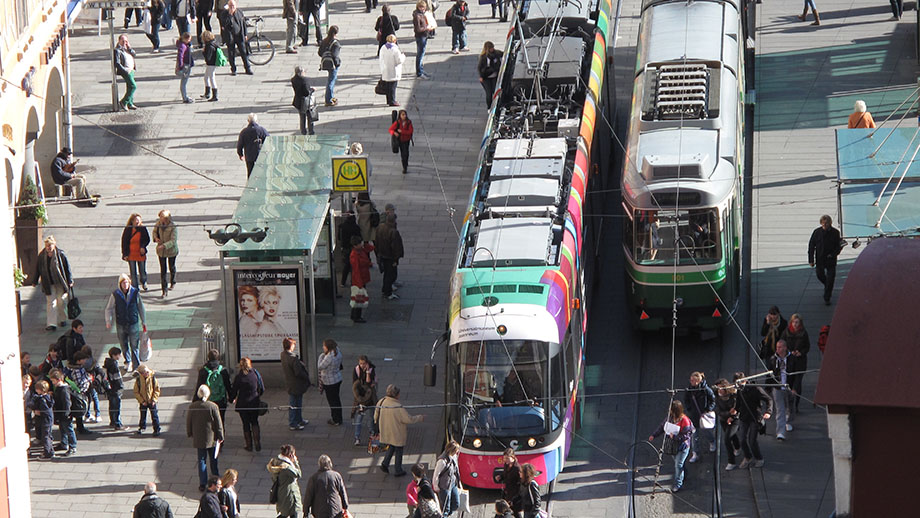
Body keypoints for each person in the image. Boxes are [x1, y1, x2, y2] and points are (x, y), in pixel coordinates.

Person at [375, 384, 425, 476]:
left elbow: (376, 415)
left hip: (386, 431)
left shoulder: (381, 401)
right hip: (396, 432)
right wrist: (420, 417)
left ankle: (385, 464)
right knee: (398, 450)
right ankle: (398, 470)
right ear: (396, 395)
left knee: (391, 446)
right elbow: (408, 419)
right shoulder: (397, 407)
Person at [105, 273, 147, 371]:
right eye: (123, 283)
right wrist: (108, 320)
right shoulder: (115, 294)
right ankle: (127, 361)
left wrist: (143, 321)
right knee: (124, 344)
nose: (125, 284)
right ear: (120, 284)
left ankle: (136, 364)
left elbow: (141, 307)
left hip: (133, 322)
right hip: (121, 323)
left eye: (127, 282)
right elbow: (109, 308)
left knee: (134, 344)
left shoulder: (135, 293)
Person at [648, 400, 693, 492]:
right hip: (673, 446)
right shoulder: (670, 418)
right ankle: (684, 474)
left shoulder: (685, 421)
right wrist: (654, 435)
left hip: (683, 447)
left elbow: (687, 435)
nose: (669, 411)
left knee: (678, 465)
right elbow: (662, 427)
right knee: (679, 464)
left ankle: (678, 484)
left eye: (671, 409)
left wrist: (676, 436)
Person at [33, 235, 73, 332]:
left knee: (61, 301)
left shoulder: (60, 255)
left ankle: (63, 318)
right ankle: (51, 323)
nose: (49, 247)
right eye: (47, 245)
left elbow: (67, 268)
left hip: (60, 282)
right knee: (51, 303)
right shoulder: (41, 256)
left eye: (50, 245)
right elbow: (38, 269)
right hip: (48, 283)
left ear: (54, 245)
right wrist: (35, 280)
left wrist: (70, 280)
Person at [188, 384, 224, 492]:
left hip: (199, 437)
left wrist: (190, 433)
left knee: (201, 460)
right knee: (213, 459)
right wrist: (221, 435)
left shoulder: (193, 406)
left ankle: (202, 483)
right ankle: (215, 478)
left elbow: (189, 421)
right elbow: (218, 423)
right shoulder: (213, 406)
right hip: (211, 437)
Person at [734, 372, 772, 469]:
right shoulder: (740, 390)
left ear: (745, 381)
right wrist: (735, 410)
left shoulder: (755, 388)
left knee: (752, 441)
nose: (737, 386)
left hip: (754, 417)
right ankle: (748, 457)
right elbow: (739, 402)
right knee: (742, 439)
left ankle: (759, 458)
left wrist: (768, 411)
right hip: (744, 417)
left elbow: (768, 399)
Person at [807, 215, 842, 305]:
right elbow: (811, 246)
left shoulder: (835, 233)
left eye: (826, 224)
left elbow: (839, 246)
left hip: (831, 260)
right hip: (820, 259)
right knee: (820, 275)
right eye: (823, 224)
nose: (825, 226)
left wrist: (833, 254)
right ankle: (828, 286)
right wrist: (811, 260)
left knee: (831, 278)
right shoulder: (817, 232)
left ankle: (827, 297)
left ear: (830, 223)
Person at [230, 357, 264, 451]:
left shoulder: (239, 377)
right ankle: (257, 442)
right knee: (255, 422)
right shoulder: (255, 374)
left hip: (243, 404)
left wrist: (231, 399)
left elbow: (234, 391)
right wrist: (258, 395)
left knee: (245, 424)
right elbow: (262, 387)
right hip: (254, 402)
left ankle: (249, 445)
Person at [780, 313, 810, 415]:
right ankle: (789, 404)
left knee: (797, 384)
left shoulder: (803, 333)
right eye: (794, 322)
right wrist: (788, 351)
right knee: (789, 382)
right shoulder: (786, 332)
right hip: (789, 361)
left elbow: (807, 347)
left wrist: (800, 352)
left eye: (797, 322)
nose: (795, 324)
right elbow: (782, 343)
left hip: (800, 362)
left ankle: (795, 405)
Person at [683, 371, 715, 462]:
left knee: (706, 431)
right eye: (690, 380)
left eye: (693, 380)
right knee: (694, 435)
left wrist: (708, 409)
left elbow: (712, 400)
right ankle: (695, 453)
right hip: (693, 416)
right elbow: (686, 400)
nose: (691, 381)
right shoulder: (689, 390)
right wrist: (689, 409)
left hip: (703, 414)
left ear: (698, 381)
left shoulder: (706, 390)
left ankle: (712, 441)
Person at [280, 337, 311, 430]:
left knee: (296, 402)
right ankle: (293, 422)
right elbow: (298, 372)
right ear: (291, 346)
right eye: (294, 344)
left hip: (290, 383)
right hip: (296, 384)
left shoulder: (283, 354)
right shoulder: (293, 358)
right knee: (295, 403)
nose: (294, 346)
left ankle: (299, 419)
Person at [195, 349, 232, 425]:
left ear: (208, 358)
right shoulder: (223, 371)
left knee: (209, 422)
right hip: (221, 401)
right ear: (218, 358)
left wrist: (195, 401)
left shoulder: (203, 371)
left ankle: (211, 435)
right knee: (221, 421)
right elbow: (228, 386)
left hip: (207, 400)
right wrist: (231, 398)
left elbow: (199, 387)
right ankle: (221, 435)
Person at [267, 444, 303, 518]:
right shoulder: (286, 467)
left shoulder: (276, 461)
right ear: (290, 455)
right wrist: (295, 462)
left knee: (286, 512)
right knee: (291, 512)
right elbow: (298, 474)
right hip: (290, 494)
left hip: (281, 492)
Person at [767, 340, 793, 441]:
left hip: (789, 387)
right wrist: (768, 387)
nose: (778, 349)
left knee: (790, 406)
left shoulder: (792, 359)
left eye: (780, 347)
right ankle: (780, 432)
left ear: (785, 348)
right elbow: (769, 374)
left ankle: (789, 419)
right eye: (777, 347)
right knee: (780, 409)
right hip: (777, 388)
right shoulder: (773, 359)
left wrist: (795, 388)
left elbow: (797, 375)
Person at [375, 214, 404, 301]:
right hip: (390, 257)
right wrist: (396, 258)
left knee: (386, 274)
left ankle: (385, 290)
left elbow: (376, 241)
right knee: (391, 274)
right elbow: (396, 247)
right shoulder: (393, 232)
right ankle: (388, 293)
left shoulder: (380, 227)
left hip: (382, 255)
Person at [714, 379, 742, 470]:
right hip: (724, 420)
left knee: (727, 439)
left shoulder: (733, 396)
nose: (719, 391)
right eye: (718, 389)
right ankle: (737, 447)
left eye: (721, 388)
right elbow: (718, 410)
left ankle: (731, 461)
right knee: (731, 436)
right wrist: (728, 414)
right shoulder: (717, 396)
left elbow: (736, 409)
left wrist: (732, 417)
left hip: (734, 421)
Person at [49, 370, 77, 456]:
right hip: (61, 413)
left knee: (69, 429)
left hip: (65, 414)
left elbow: (67, 402)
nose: (52, 383)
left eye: (53, 381)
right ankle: (64, 443)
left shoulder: (64, 389)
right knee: (63, 429)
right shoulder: (59, 388)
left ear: (58, 380)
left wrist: (66, 413)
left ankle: (72, 446)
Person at [152, 209, 179, 298]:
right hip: (161, 251)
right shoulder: (158, 224)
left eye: (163, 217)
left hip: (171, 251)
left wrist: (164, 246)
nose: (161, 219)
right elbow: (154, 232)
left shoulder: (173, 226)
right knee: (163, 270)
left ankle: (173, 281)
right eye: (160, 217)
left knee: (171, 267)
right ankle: (164, 290)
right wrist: (155, 238)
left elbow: (173, 241)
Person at [351, 355, 378, 445]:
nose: (362, 365)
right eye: (360, 363)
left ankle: (372, 435)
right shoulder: (356, 370)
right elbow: (355, 384)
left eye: (364, 363)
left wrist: (367, 372)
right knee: (359, 419)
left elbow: (368, 382)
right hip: (361, 399)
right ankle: (357, 437)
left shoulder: (371, 369)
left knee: (371, 418)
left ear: (367, 363)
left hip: (370, 399)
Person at [318, 339, 344, 426]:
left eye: (324, 346)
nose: (323, 347)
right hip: (337, 379)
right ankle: (339, 418)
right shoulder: (338, 351)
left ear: (328, 347)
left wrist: (321, 356)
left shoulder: (329, 357)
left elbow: (320, 366)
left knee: (332, 401)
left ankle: (335, 419)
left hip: (329, 381)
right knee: (337, 400)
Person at [221, 0, 252, 76]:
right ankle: (233, 69)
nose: (232, 7)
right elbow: (224, 24)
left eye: (233, 6)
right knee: (231, 54)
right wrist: (230, 15)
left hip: (239, 35)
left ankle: (247, 68)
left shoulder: (239, 12)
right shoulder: (224, 14)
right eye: (230, 6)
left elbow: (243, 24)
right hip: (230, 37)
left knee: (243, 52)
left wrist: (245, 34)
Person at [121, 213, 151, 290]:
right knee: (133, 272)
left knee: (142, 271)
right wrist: (125, 254)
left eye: (139, 220)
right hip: (131, 254)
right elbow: (124, 242)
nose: (137, 222)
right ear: (132, 221)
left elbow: (147, 239)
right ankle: (135, 287)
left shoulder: (143, 229)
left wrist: (142, 247)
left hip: (140, 253)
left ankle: (144, 282)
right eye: (136, 220)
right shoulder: (128, 229)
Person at [433, 441, 462, 517]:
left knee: (456, 503)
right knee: (446, 507)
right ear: (451, 450)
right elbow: (436, 474)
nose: (457, 452)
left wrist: (459, 483)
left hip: (453, 483)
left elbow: (456, 470)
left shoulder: (454, 456)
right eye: (456, 451)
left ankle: (449, 514)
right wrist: (436, 486)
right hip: (444, 486)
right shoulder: (442, 461)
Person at [349, 236, 374, 323]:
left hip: (362, 277)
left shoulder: (361, 250)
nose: (361, 244)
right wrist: (359, 283)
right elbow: (356, 270)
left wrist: (365, 245)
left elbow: (371, 248)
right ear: (355, 245)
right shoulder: (354, 255)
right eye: (360, 243)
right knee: (359, 298)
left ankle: (354, 315)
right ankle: (357, 316)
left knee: (357, 297)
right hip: (358, 280)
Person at [237, 113, 270, 177]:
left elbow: (240, 145)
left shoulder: (244, 132)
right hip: (260, 155)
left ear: (248, 121)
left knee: (250, 173)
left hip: (249, 156)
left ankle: (251, 185)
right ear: (257, 120)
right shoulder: (262, 130)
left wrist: (240, 154)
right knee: (262, 172)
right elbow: (269, 140)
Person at [379, 35, 406, 107]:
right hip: (393, 70)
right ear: (394, 41)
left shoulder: (383, 48)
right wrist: (403, 56)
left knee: (388, 86)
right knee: (393, 86)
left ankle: (389, 99)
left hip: (385, 69)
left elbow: (381, 58)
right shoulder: (395, 50)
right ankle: (392, 101)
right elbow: (399, 60)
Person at [134, 364, 162, 436]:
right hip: (143, 401)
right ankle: (142, 427)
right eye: (145, 372)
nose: (147, 373)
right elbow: (136, 392)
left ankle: (157, 429)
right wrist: (142, 401)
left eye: (147, 372)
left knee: (154, 416)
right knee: (142, 415)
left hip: (151, 401)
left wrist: (154, 400)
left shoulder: (152, 378)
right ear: (141, 374)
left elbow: (156, 390)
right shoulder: (138, 380)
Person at [337, 212, 362, 289]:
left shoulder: (342, 226)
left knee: (346, 266)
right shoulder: (356, 227)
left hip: (345, 248)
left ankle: (343, 282)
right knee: (354, 266)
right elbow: (360, 237)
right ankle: (353, 282)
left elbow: (339, 237)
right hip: (354, 248)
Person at [318, 26, 342, 107]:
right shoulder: (336, 43)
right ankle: (328, 100)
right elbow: (335, 55)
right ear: (336, 33)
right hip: (333, 65)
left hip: (326, 63)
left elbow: (320, 52)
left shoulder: (325, 40)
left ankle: (330, 97)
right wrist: (337, 63)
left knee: (330, 80)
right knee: (331, 81)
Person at [114, 34, 138, 110]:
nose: (125, 42)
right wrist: (125, 70)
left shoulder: (127, 48)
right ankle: (124, 102)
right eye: (123, 41)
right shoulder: (117, 50)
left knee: (129, 86)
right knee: (133, 86)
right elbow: (117, 63)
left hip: (131, 69)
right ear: (119, 41)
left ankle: (130, 103)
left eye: (126, 41)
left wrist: (129, 48)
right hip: (126, 70)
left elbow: (134, 54)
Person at [31, 380, 54, 459]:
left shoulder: (42, 399)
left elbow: (45, 410)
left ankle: (47, 453)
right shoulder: (48, 397)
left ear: (40, 390)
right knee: (48, 435)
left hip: (45, 420)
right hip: (49, 419)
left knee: (45, 437)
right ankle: (50, 451)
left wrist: (39, 412)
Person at [104, 347, 126, 430]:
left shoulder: (107, 363)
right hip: (115, 389)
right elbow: (117, 379)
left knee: (112, 406)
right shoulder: (114, 365)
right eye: (118, 355)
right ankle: (117, 424)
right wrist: (121, 387)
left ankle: (112, 422)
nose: (120, 356)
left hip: (110, 389)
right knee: (116, 407)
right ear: (113, 355)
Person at [291, 66, 316, 135]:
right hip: (306, 102)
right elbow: (306, 92)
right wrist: (312, 90)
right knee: (310, 117)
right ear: (301, 72)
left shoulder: (293, 79)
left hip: (298, 101)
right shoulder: (305, 80)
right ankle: (311, 131)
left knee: (302, 118)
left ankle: (303, 132)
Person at [478, 41, 503, 108]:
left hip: (494, 76)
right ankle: (489, 107)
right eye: (491, 48)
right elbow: (480, 68)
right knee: (489, 94)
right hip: (486, 77)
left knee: (495, 92)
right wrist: (481, 76)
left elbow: (504, 55)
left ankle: (496, 106)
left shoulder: (497, 53)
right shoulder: (483, 57)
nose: (492, 49)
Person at [388, 110, 414, 174]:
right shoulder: (397, 122)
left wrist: (402, 131)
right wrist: (394, 133)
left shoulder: (409, 122)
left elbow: (410, 131)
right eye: (402, 115)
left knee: (406, 153)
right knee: (403, 153)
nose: (404, 116)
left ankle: (405, 164)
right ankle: (404, 166)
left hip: (406, 140)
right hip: (400, 140)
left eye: (405, 114)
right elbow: (390, 129)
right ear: (400, 116)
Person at [412, 1, 433, 79]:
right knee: (420, 54)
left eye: (424, 7)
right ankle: (419, 72)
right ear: (418, 7)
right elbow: (418, 29)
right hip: (420, 36)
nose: (423, 9)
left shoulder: (422, 14)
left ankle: (421, 69)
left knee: (422, 53)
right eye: (422, 7)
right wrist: (426, 28)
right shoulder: (417, 16)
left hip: (424, 35)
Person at [500, 448, 522, 515]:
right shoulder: (506, 465)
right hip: (508, 491)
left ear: (512, 457)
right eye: (504, 458)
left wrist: (517, 496)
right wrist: (501, 477)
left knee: (515, 510)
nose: (505, 460)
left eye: (507, 458)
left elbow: (521, 482)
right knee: (509, 509)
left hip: (514, 493)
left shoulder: (517, 468)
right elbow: (505, 474)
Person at [176, 32, 195, 103]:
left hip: (187, 64)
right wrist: (181, 66)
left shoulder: (184, 44)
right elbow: (180, 56)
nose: (190, 40)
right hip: (185, 65)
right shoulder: (182, 46)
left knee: (184, 82)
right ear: (185, 39)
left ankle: (185, 96)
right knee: (184, 82)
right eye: (189, 39)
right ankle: (185, 97)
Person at [200, 30, 219, 101]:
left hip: (211, 64)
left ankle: (214, 95)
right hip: (212, 63)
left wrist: (203, 52)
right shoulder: (214, 43)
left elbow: (207, 57)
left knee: (211, 78)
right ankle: (207, 93)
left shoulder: (209, 46)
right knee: (206, 78)